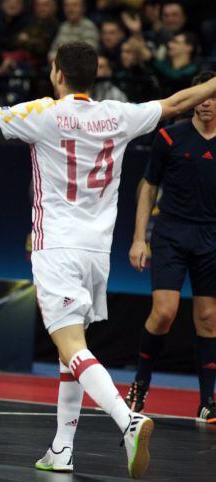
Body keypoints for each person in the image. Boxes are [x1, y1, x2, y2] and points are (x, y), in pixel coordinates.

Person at [0, 40, 216, 478]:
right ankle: (62, 448)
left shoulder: (44, 113)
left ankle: (126, 419)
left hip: (55, 246)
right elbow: (178, 101)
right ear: (95, 76)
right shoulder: (121, 114)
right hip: (97, 253)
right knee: (68, 352)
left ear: (57, 74)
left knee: (72, 346)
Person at [127, 71, 216, 424]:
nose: (207, 102)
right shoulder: (169, 136)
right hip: (171, 234)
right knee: (165, 312)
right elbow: (148, 186)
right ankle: (140, 385)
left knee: (209, 319)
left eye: (212, 96)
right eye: (202, 96)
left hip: (211, 238)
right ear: (193, 98)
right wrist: (138, 238)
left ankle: (208, 400)